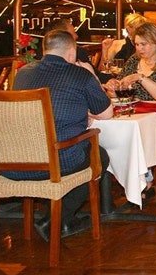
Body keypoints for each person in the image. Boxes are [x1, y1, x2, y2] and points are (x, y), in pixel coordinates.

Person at [10, 29, 112, 239]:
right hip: (57, 162)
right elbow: (106, 113)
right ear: (72, 53)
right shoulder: (79, 75)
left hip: (17, 161)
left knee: (80, 152)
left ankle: (56, 218)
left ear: (45, 50)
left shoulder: (23, 74)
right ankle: (57, 220)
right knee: (99, 156)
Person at [106, 22, 156, 102]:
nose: (139, 48)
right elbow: (121, 91)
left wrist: (139, 77)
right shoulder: (134, 60)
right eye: (137, 44)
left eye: (143, 44)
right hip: (135, 108)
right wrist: (113, 89)